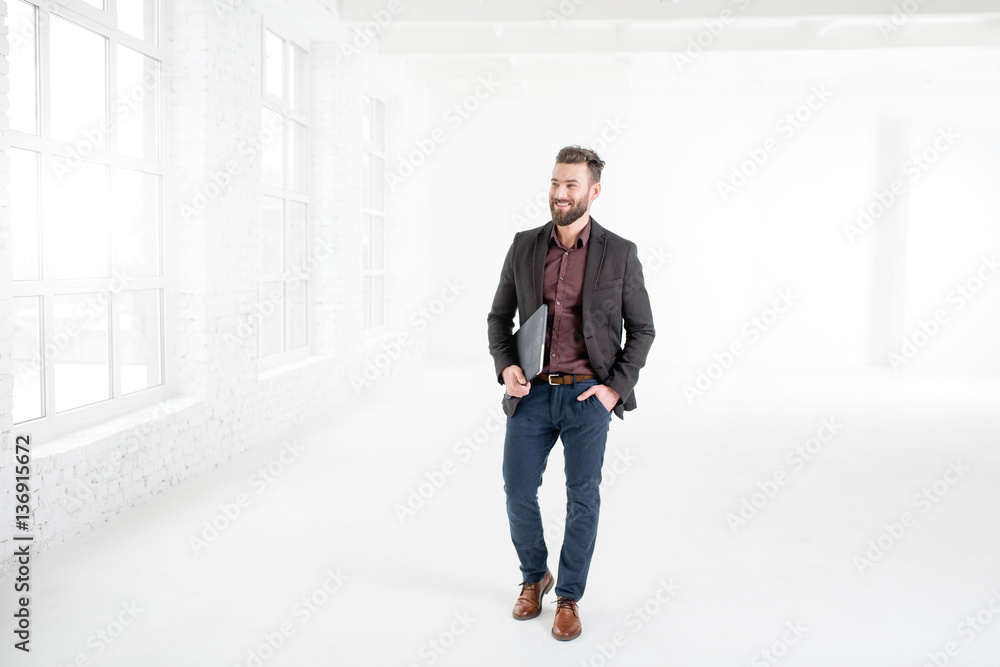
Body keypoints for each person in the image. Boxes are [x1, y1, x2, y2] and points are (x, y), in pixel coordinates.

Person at [486, 145, 655, 641]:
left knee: (582, 498)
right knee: (517, 489)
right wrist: (507, 368)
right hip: (532, 393)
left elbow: (642, 330)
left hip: (587, 397)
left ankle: (569, 597)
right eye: (556, 184)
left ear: (593, 192)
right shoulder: (523, 246)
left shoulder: (620, 252)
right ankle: (534, 576)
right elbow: (499, 317)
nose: (560, 194)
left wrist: (613, 391)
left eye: (572, 185)